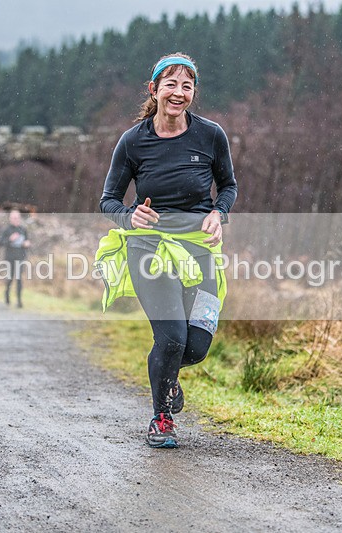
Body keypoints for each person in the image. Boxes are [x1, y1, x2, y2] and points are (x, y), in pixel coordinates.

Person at [98, 52, 238, 448]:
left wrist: (218, 213)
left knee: (195, 347)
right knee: (173, 337)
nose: (178, 93)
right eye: (171, 85)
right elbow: (108, 200)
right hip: (149, 248)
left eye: (187, 86)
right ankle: (161, 419)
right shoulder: (133, 140)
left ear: (193, 92)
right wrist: (130, 217)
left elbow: (228, 186)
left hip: (199, 249)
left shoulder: (211, 135)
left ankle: (168, 375)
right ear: (154, 89)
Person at [0, 209, 31, 308]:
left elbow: (26, 242)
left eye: (17, 218)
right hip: (9, 258)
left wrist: (27, 244)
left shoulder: (23, 229)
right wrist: (10, 239)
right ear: (10, 219)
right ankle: (7, 295)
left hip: (20, 257)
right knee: (10, 279)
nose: (16, 220)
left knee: (19, 279)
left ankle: (19, 301)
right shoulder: (6, 230)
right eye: (14, 218)